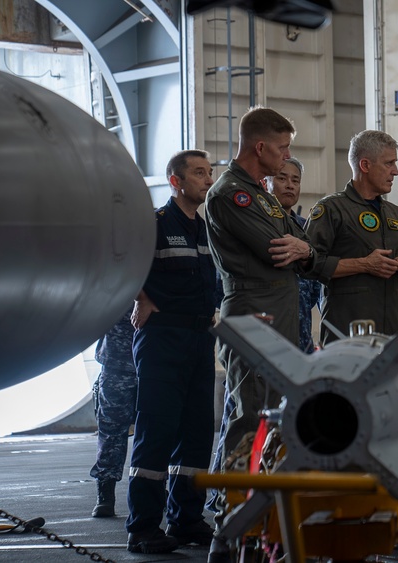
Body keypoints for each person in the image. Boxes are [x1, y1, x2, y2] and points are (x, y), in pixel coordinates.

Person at [204, 108, 318, 563]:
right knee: (250, 418)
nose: (287, 156)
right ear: (260, 147)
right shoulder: (233, 194)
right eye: (283, 147)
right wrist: (302, 250)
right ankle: (227, 530)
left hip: (280, 316)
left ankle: (260, 526)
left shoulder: (262, 196)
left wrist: (305, 249)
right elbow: (278, 250)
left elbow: (305, 245)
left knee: (276, 422)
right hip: (254, 315)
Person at [125, 149, 220, 554]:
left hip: (202, 339)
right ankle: (143, 526)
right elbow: (122, 266)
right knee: (157, 430)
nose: (207, 179)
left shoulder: (209, 228)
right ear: (175, 181)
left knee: (198, 432)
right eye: (199, 173)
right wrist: (141, 295)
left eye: (209, 172)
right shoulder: (154, 224)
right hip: (163, 338)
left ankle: (186, 519)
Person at [304, 130, 398, 344]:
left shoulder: (395, 214)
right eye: (389, 163)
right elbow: (308, 263)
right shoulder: (331, 209)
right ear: (365, 165)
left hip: (391, 333)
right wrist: (364, 265)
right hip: (346, 333)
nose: (395, 171)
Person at [265, 157, 323, 353]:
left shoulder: (306, 228)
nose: (290, 185)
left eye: (295, 180)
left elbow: (316, 283)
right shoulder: (257, 225)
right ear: (266, 183)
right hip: (264, 334)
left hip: (301, 336)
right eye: (282, 179)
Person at [90, 305, 136, 518]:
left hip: (154, 363)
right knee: (110, 432)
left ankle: (156, 488)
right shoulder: (118, 279)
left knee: (156, 433)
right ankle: (105, 493)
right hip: (116, 364)